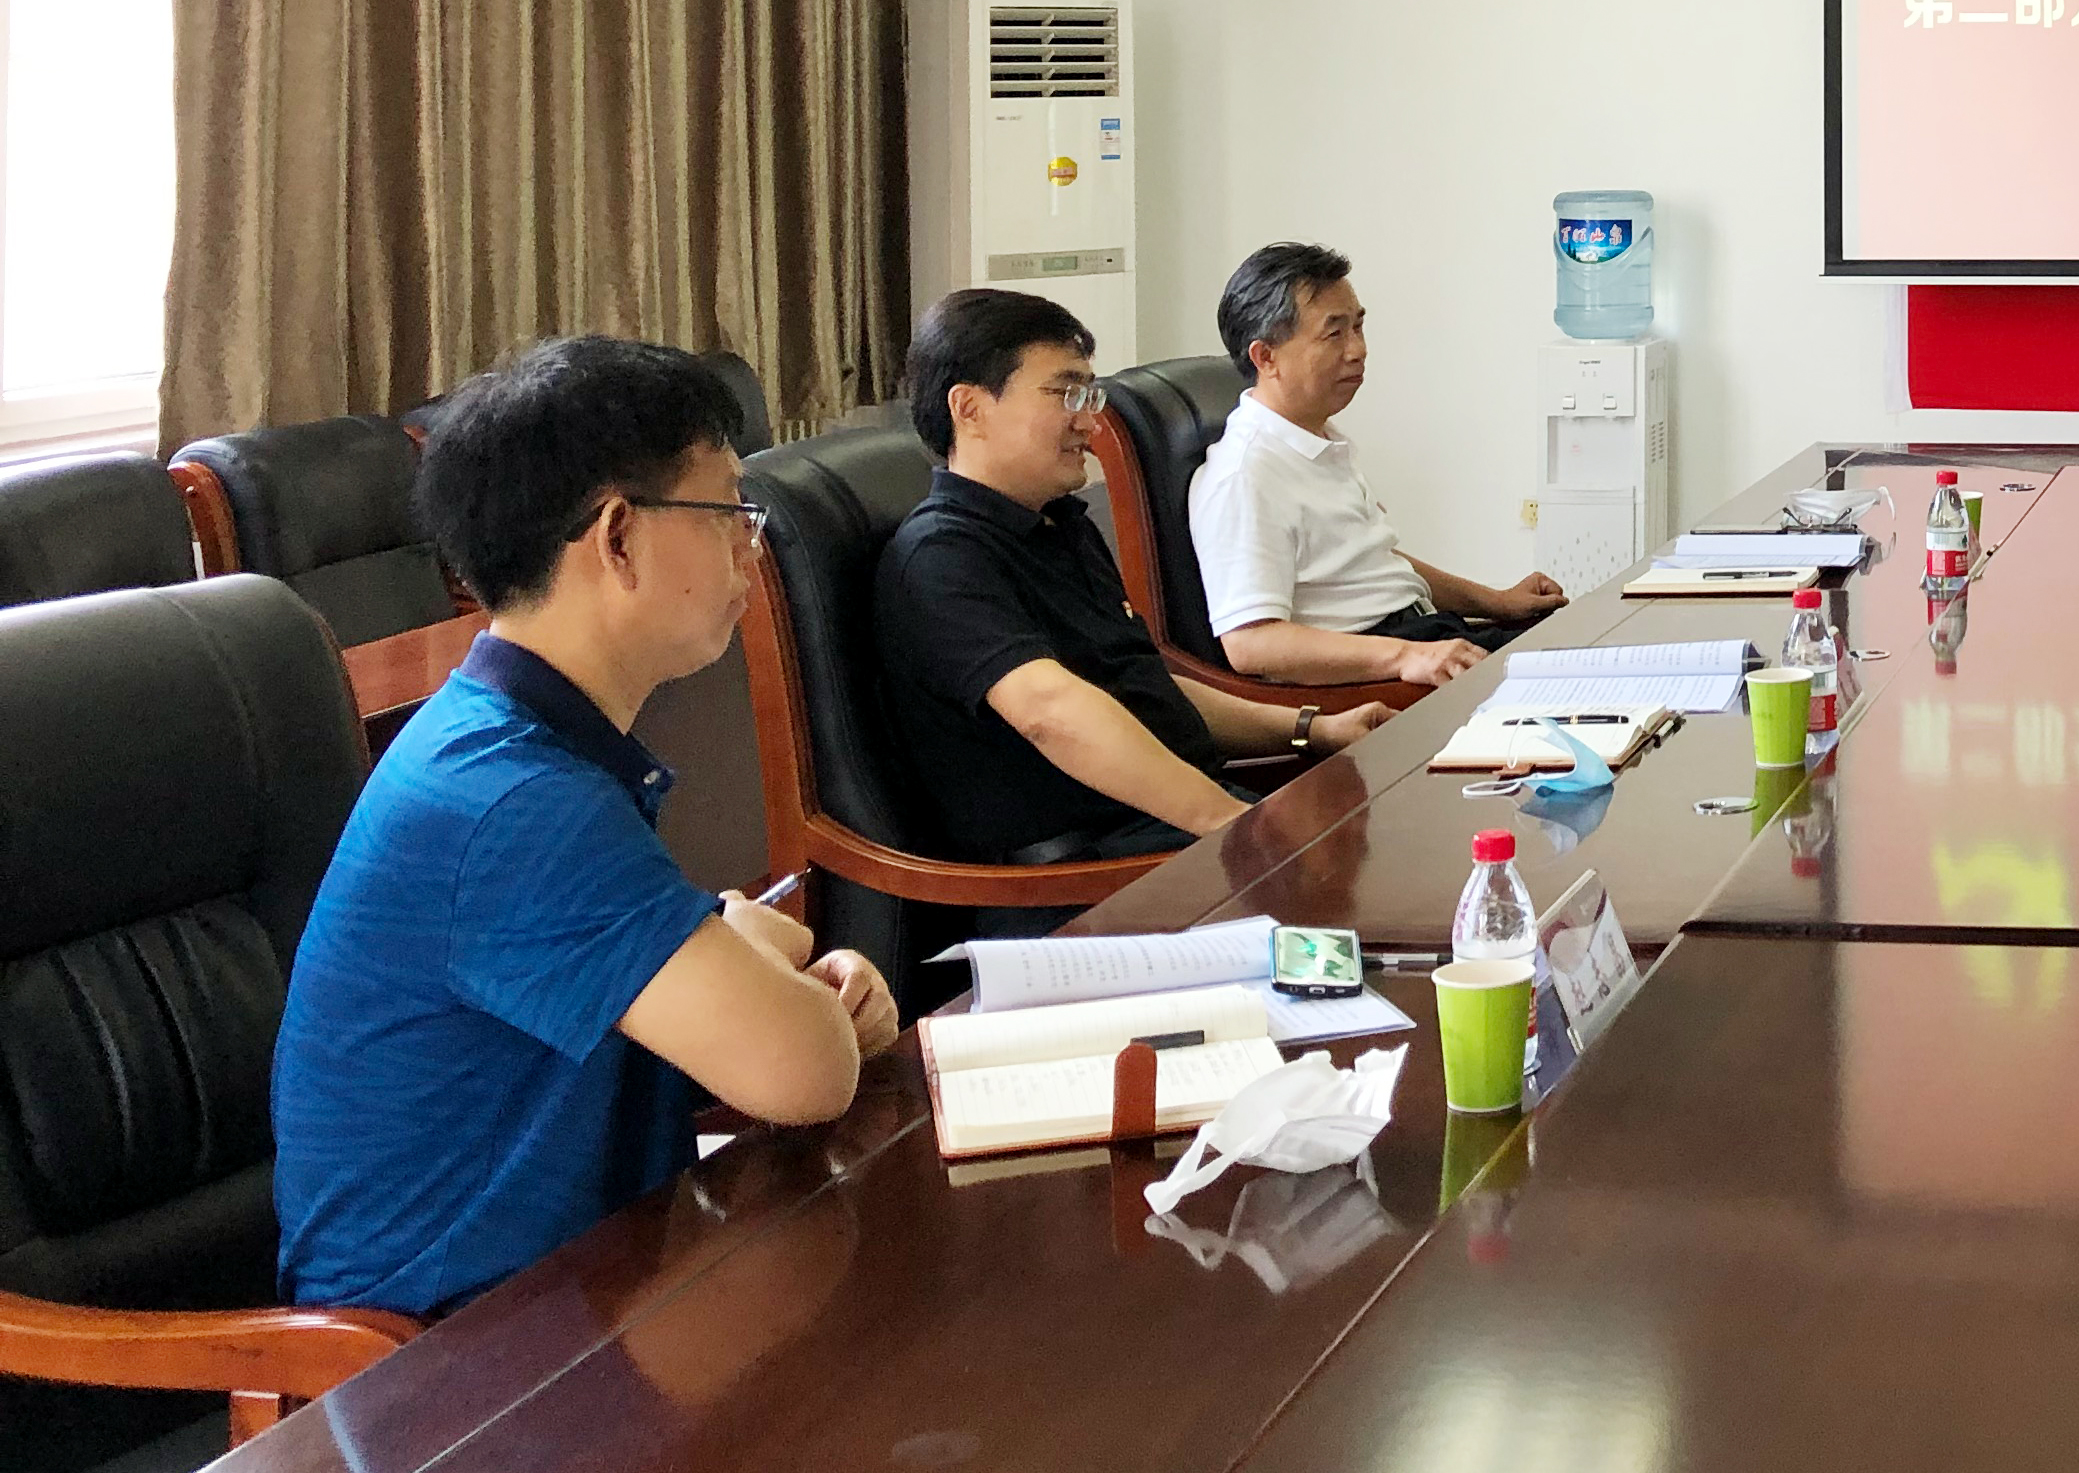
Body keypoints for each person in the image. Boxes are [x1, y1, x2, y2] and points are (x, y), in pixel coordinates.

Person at [275, 336, 903, 1315]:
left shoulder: (515, 740)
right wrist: (785, 988)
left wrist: (777, 977)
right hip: (444, 1354)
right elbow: (805, 1071)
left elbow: (757, 1005)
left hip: (584, 1277)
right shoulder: (511, 800)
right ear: (617, 537)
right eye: (729, 510)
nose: (752, 544)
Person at [876, 288, 1386, 865]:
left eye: (1089, 394)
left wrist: (1311, 728)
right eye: (1065, 394)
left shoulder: (1061, 526)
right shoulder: (942, 557)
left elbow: (1143, 684)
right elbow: (1050, 713)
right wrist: (1234, 826)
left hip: (1170, 830)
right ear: (969, 408)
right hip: (1087, 869)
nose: (1089, 421)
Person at [1189, 242, 1566, 691]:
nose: (1358, 350)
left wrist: (1498, 602)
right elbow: (1251, 644)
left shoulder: (1319, 440)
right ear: (1265, 357)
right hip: (1380, 673)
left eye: (1358, 327)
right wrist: (1408, 656)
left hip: (1424, 634)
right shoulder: (1244, 476)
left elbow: (1376, 563)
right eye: (1334, 334)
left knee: (1595, 638)